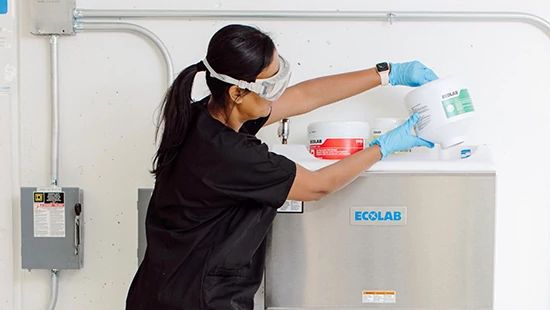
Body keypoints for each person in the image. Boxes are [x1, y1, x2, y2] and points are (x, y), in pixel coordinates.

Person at [126, 24, 436, 310]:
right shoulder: (231, 155)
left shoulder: (205, 115)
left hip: (161, 290)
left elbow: (303, 96)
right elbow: (318, 185)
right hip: (197, 300)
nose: (277, 94)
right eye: (269, 86)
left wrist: (385, 73)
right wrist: (384, 147)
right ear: (237, 92)